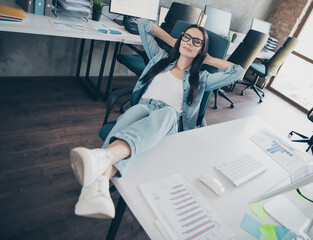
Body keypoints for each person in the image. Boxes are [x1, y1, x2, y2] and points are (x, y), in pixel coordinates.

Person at [70, 18, 244, 219]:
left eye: (197, 42)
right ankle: (97, 186)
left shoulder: (201, 78)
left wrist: (206, 58)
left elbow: (237, 72)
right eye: (187, 37)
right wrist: (177, 44)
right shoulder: (159, 58)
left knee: (167, 112)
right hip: (143, 110)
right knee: (135, 111)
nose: (190, 42)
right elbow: (143, 25)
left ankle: (103, 156)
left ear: (202, 49)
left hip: (167, 124)